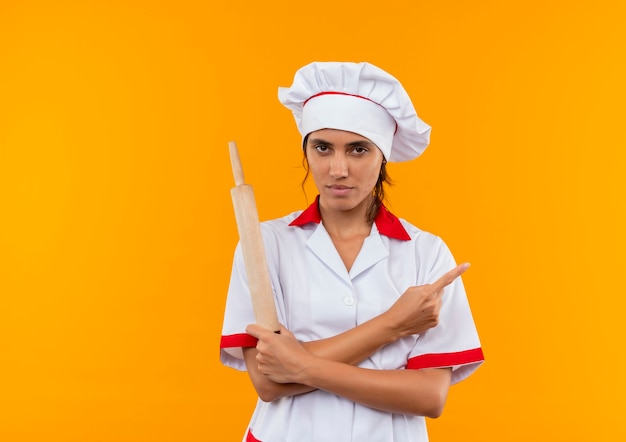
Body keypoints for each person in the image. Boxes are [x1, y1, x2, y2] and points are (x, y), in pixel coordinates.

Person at [220, 61, 484, 442]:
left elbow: (429, 396)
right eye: (322, 148)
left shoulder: (426, 252)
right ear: (306, 151)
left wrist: (299, 364)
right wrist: (393, 324)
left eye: (358, 149)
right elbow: (269, 383)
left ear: (383, 157)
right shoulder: (265, 243)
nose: (338, 168)